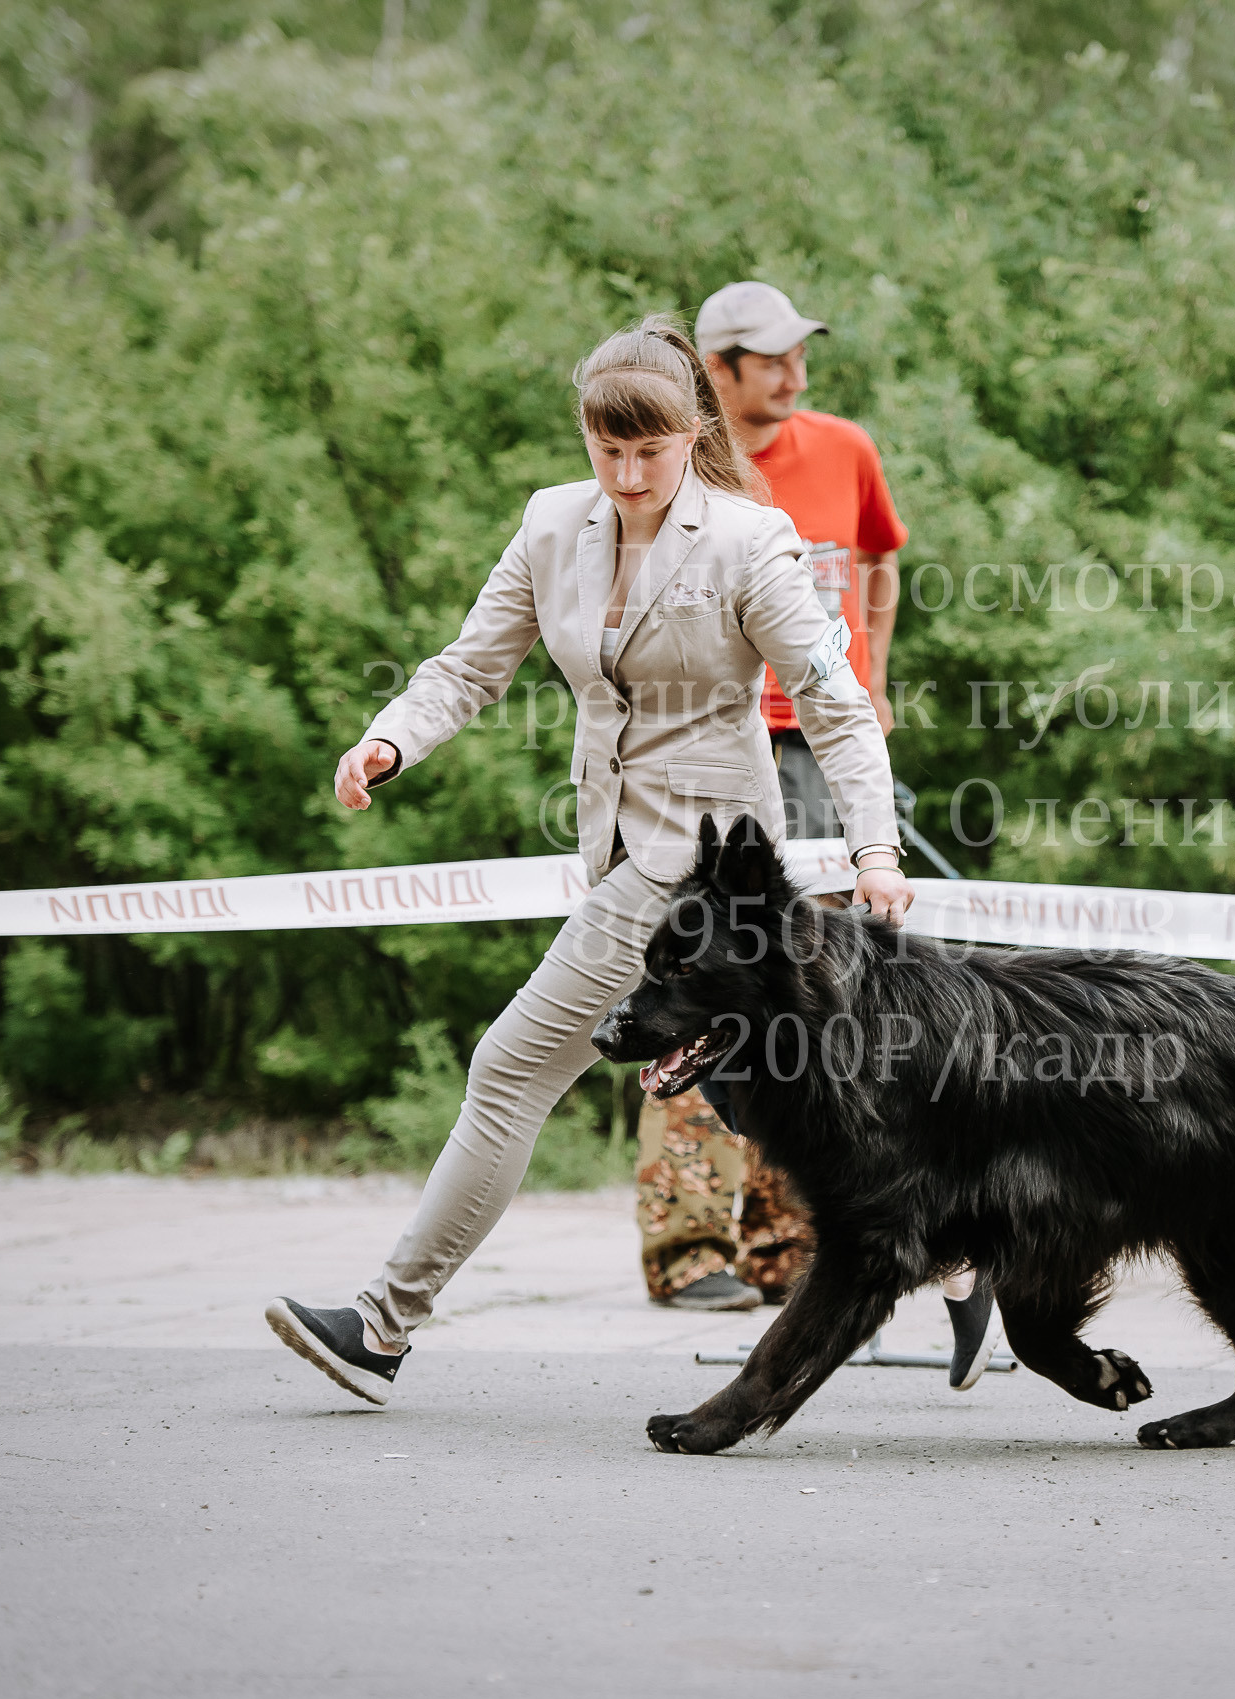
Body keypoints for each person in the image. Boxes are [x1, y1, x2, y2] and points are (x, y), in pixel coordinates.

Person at [266, 315, 911, 1406]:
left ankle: (383, 1323)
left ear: (689, 428)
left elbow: (836, 706)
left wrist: (875, 849)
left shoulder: (752, 541)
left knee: (511, 1065)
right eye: (603, 451)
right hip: (614, 849)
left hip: (703, 870)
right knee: (792, 1095)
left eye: (647, 451)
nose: (624, 474)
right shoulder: (551, 524)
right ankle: (957, 1242)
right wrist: (389, 738)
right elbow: (468, 666)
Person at [632, 282, 997, 1388]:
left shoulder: (844, 446)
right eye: (767, 361)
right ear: (717, 368)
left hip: (830, 745)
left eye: (800, 356)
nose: (793, 378)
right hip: (726, 752)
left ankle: (827, 1250)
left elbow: (877, 562)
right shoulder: (680, 464)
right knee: (701, 985)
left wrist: (870, 678)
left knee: (829, 996)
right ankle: (695, 1245)